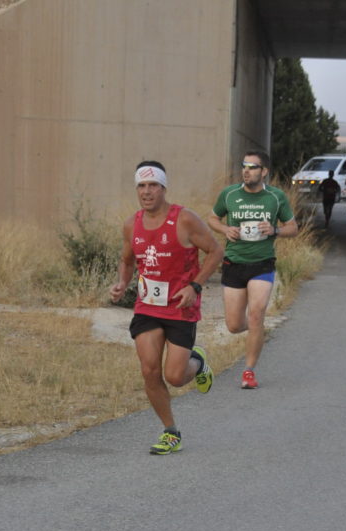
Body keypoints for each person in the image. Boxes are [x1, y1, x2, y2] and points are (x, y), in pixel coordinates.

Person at [110, 161, 223, 455]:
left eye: (153, 185)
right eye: (141, 186)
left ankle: (197, 362)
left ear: (163, 188)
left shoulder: (184, 219)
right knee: (149, 370)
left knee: (175, 376)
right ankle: (171, 432)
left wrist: (195, 286)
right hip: (147, 306)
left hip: (180, 308)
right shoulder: (131, 224)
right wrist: (122, 282)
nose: (146, 192)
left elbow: (215, 251)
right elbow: (127, 260)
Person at [209, 150, 298, 389]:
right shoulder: (229, 194)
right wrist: (225, 229)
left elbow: (293, 228)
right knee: (234, 325)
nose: (246, 171)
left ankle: (248, 371)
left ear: (264, 171)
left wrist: (275, 230)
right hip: (234, 262)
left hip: (262, 263)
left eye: (252, 167)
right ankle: (256, 330)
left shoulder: (275, 197)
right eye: (244, 166)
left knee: (256, 314)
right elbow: (212, 218)